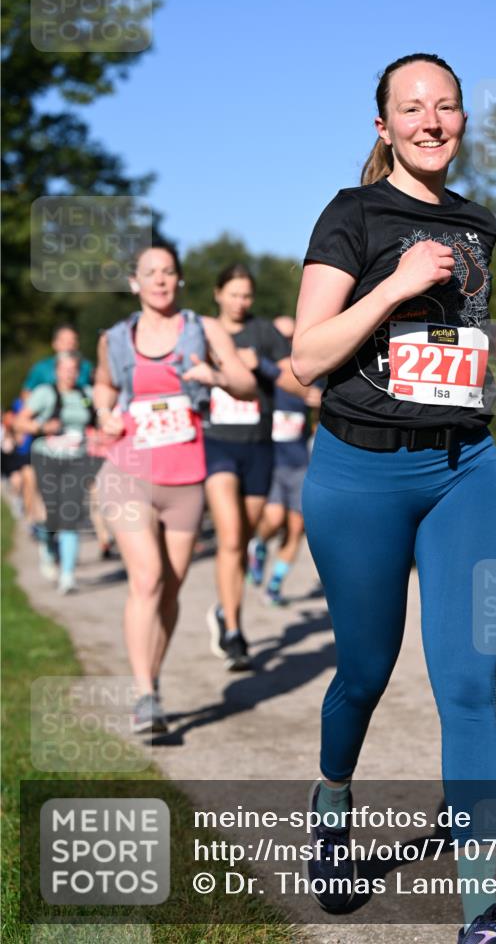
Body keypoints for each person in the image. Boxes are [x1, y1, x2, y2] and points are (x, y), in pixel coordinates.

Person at [292, 53, 496, 943]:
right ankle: (331, 805)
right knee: (365, 670)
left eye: (446, 107)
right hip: (358, 474)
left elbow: (439, 352)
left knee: (470, 688)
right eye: (412, 109)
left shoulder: (478, 221)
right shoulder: (351, 214)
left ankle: (483, 917)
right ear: (383, 126)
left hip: (464, 470)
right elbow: (307, 357)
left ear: (462, 120)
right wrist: (396, 284)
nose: (431, 121)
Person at [93, 242, 256, 734]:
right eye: (150, 272)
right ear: (134, 282)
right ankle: (143, 695)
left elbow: (247, 384)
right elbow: (104, 384)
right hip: (128, 472)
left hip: (185, 478)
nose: (160, 279)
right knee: (146, 579)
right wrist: (104, 411)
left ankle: (152, 682)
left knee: (171, 588)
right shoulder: (116, 338)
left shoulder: (201, 330)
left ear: (179, 280)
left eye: (168, 271)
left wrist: (217, 375)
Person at [204, 266, 306, 670]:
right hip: (217, 445)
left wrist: (261, 364)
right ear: (217, 294)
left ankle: (222, 610)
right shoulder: (204, 332)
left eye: (246, 295)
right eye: (233, 294)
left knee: (243, 536)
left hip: (260, 448)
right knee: (230, 538)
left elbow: (297, 382)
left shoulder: (265, 332)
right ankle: (233, 629)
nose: (240, 302)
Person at [246, 315, 322, 605]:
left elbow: (317, 396)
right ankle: (259, 544)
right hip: (273, 462)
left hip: (300, 464)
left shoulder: (308, 375)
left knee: (295, 527)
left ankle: (274, 585)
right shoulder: (263, 379)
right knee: (274, 519)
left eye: (291, 339)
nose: (285, 344)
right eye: (280, 338)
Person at [15, 351, 95, 593]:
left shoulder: (86, 395)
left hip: (77, 458)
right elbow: (19, 422)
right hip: (47, 457)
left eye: (74, 369)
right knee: (51, 512)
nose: (70, 373)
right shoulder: (45, 393)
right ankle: (48, 546)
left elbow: (98, 422)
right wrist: (41, 426)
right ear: (57, 370)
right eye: (65, 369)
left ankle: (67, 576)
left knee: (70, 512)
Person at [23, 323, 94, 392]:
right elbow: (27, 392)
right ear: (54, 344)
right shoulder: (41, 368)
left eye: (72, 341)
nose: (69, 346)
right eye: (64, 341)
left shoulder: (86, 367)